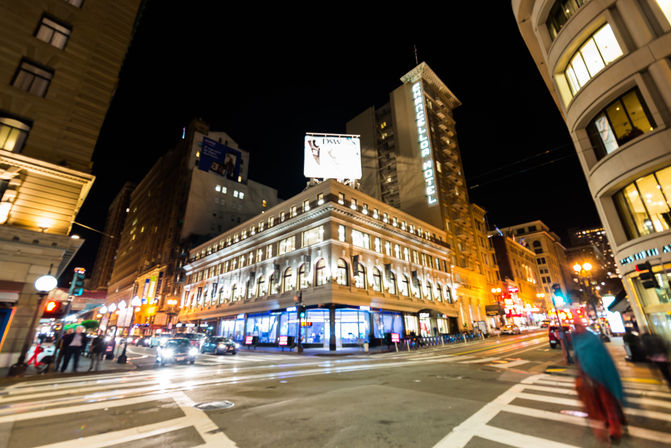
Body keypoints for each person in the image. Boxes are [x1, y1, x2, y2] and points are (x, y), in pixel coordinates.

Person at [572, 322, 626, 441]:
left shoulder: (591, 339)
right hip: (587, 377)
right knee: (596, 402)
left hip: (601, 376)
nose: (577, 328)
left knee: (607, 401)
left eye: (578, 325)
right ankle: (607, 420)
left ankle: (614, 427)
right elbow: (578, 358)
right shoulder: (576, 340)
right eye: (575, 326)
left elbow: (602, 356)